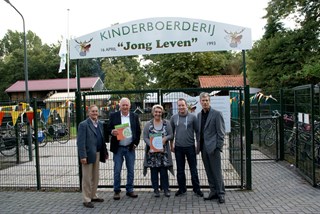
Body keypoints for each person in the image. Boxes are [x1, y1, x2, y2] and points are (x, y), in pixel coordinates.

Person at [108, 97, 141, 200]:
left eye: (127, 105)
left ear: (130, 106)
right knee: (117, 170)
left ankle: (130, 190)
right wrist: (112, 132)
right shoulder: (114, 116)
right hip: (118, 148)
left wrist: (135, 144)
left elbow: (138, 131)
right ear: (120, 106)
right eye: (123, 105)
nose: (125, 107)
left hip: (130, 147)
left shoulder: (134, 116)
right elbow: (108, 128)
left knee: (130, 170)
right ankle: (117, 191)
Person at [170, 98, 203, 197]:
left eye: (182, 105)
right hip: (178, 148)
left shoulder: (193, 117)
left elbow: (197, 132)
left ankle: (197, 189)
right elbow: (171, 133)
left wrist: (198, 145)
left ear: (186, 106)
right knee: (180, 170)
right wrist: (171, 145)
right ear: (177, 107)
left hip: (190, 147)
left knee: (193, 169)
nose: (181, 107)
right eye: (179, 105)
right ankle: (182, 189)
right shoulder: (174, 118)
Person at [77, 104, 108, 208]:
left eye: (96, 111)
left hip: (98, 153)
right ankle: (86, 199)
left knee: (95, 176)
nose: (95, 113)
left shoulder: (100, 124)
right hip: (88, 154)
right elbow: (80, 142)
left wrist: (105, 152)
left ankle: (93, 195)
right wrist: (83, 156)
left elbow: (102, 139)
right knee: (87, 177)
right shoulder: (83, 125)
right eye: (92, 111)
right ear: (88, 113)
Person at [197, 92, 226, 204]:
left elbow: (221, 132)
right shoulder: (199, 115)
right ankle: (213, 192)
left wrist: (218, 147)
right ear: (200, 102)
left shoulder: (217, 114)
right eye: (203, 100)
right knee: (208, 171)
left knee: (216, 171)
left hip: (213, 148)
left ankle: (221, 194)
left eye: (206, 100)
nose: (205, 102)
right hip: (204, 147)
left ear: (209, 101)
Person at [143, 104, 173, 197]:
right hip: (152, 153)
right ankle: (156, 189)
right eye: (156, 112)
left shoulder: (166, 123)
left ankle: (166, 189)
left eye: (159, 112)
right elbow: (145, 137)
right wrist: (151, 145)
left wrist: (165, 138)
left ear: (162, 113)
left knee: (164, 171)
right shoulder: (148, 124)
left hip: (163, 153)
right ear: (153, 112)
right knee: (154, 171)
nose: (158, 113)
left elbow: (171, 135)